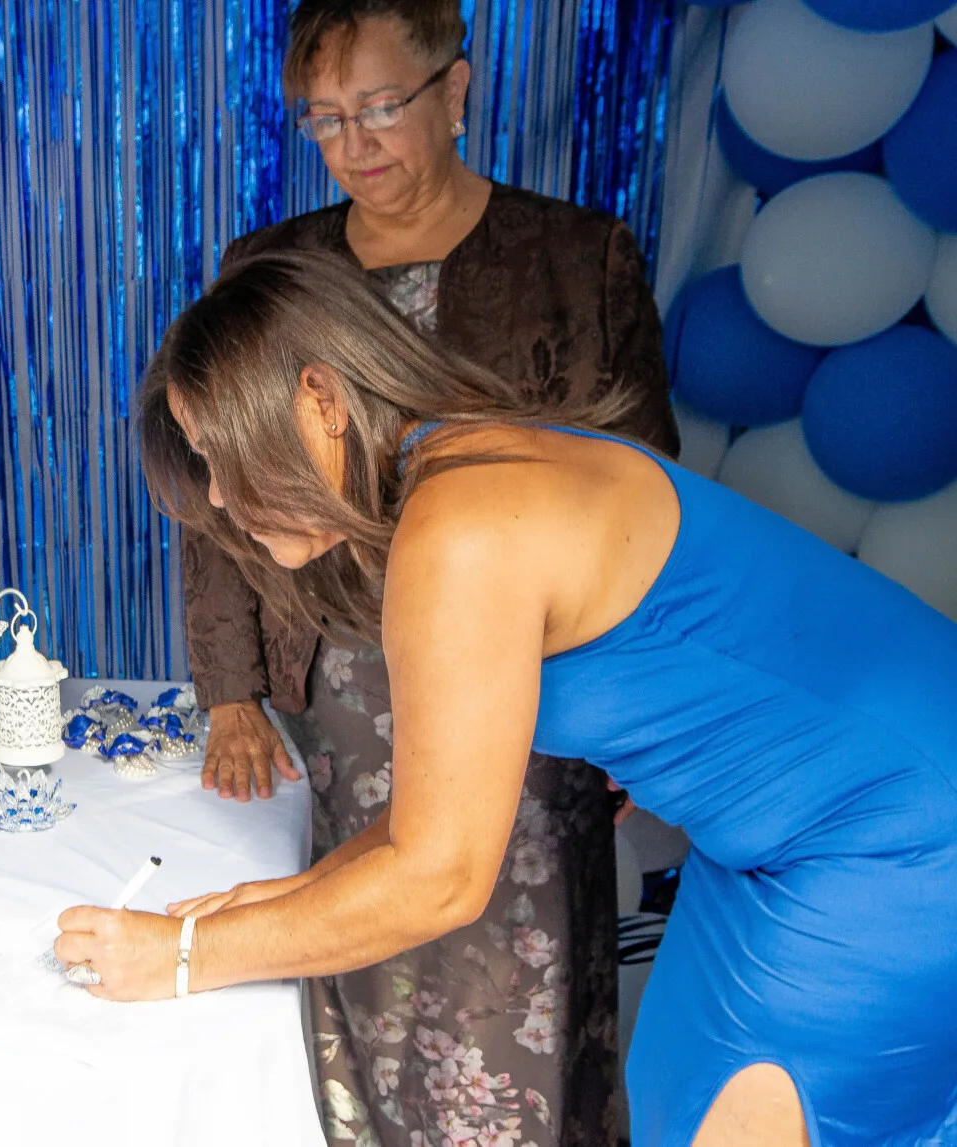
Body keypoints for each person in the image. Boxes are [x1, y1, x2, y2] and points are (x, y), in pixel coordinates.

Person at [56, 249, 957, 1147]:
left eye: (221, 450)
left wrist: (179, 961)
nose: (216, 493)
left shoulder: (463, 526)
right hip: (784, 832)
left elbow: (437, 877)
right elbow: (430, 822)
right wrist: (264, 905)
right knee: (675, 1088)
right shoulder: (468, 459)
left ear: (321, 400)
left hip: (892, 839)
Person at [180, 1, 677, 1141]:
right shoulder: (271, 268)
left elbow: (639, 495)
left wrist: (635, 713)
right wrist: (229, 690)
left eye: (380, 107)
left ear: (456, 90)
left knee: (512, 936)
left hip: (532, 678)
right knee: (362, 921)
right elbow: (216, 505)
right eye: (323, 120)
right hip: (342, 680)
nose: (353, 144)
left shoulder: (576, 255)